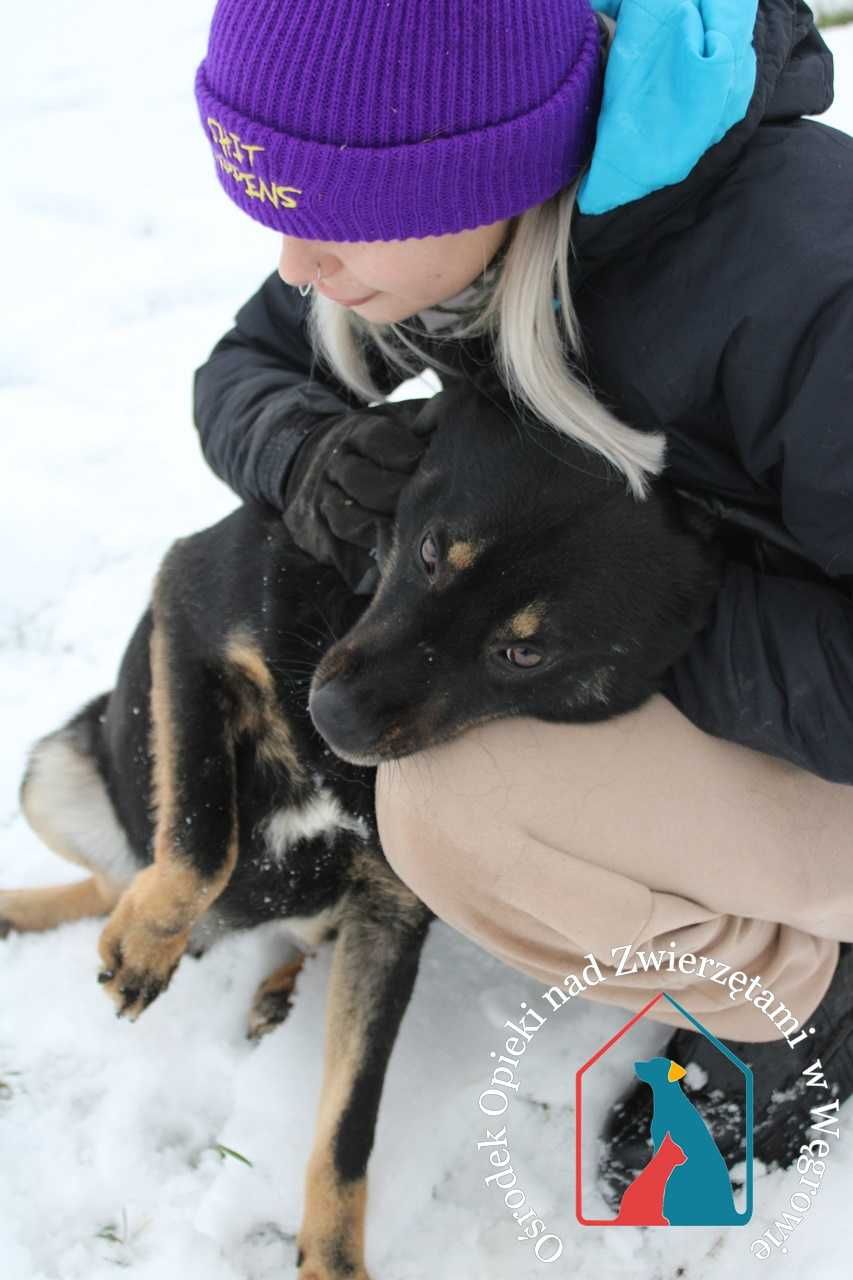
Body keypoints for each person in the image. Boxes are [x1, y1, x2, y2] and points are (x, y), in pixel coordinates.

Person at [192, 0, 853, 1205]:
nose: (298, 264)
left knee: (464, 811)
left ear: (483, 169)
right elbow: (247, 368)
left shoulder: (807, 287)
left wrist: (661, 620)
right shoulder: (454, 207)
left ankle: (811, 996)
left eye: (332, 217)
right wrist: (308, 458)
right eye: (279, 214)